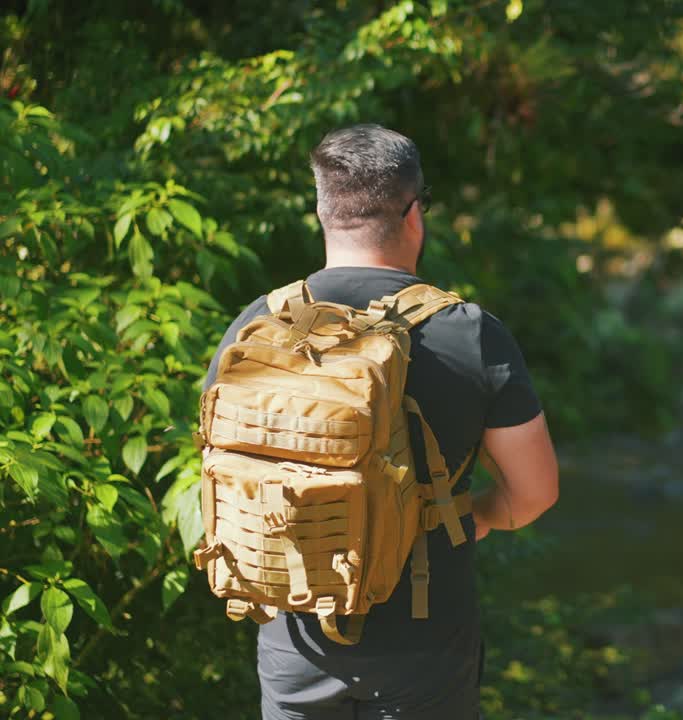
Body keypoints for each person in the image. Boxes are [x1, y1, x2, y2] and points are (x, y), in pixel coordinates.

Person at [202, 124, 560, 719]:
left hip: (294, 632)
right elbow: (535, 492)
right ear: (414, 212)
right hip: (423, 642)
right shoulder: (468, 332)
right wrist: (473, 515)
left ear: (322, 211)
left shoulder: (256, 326)